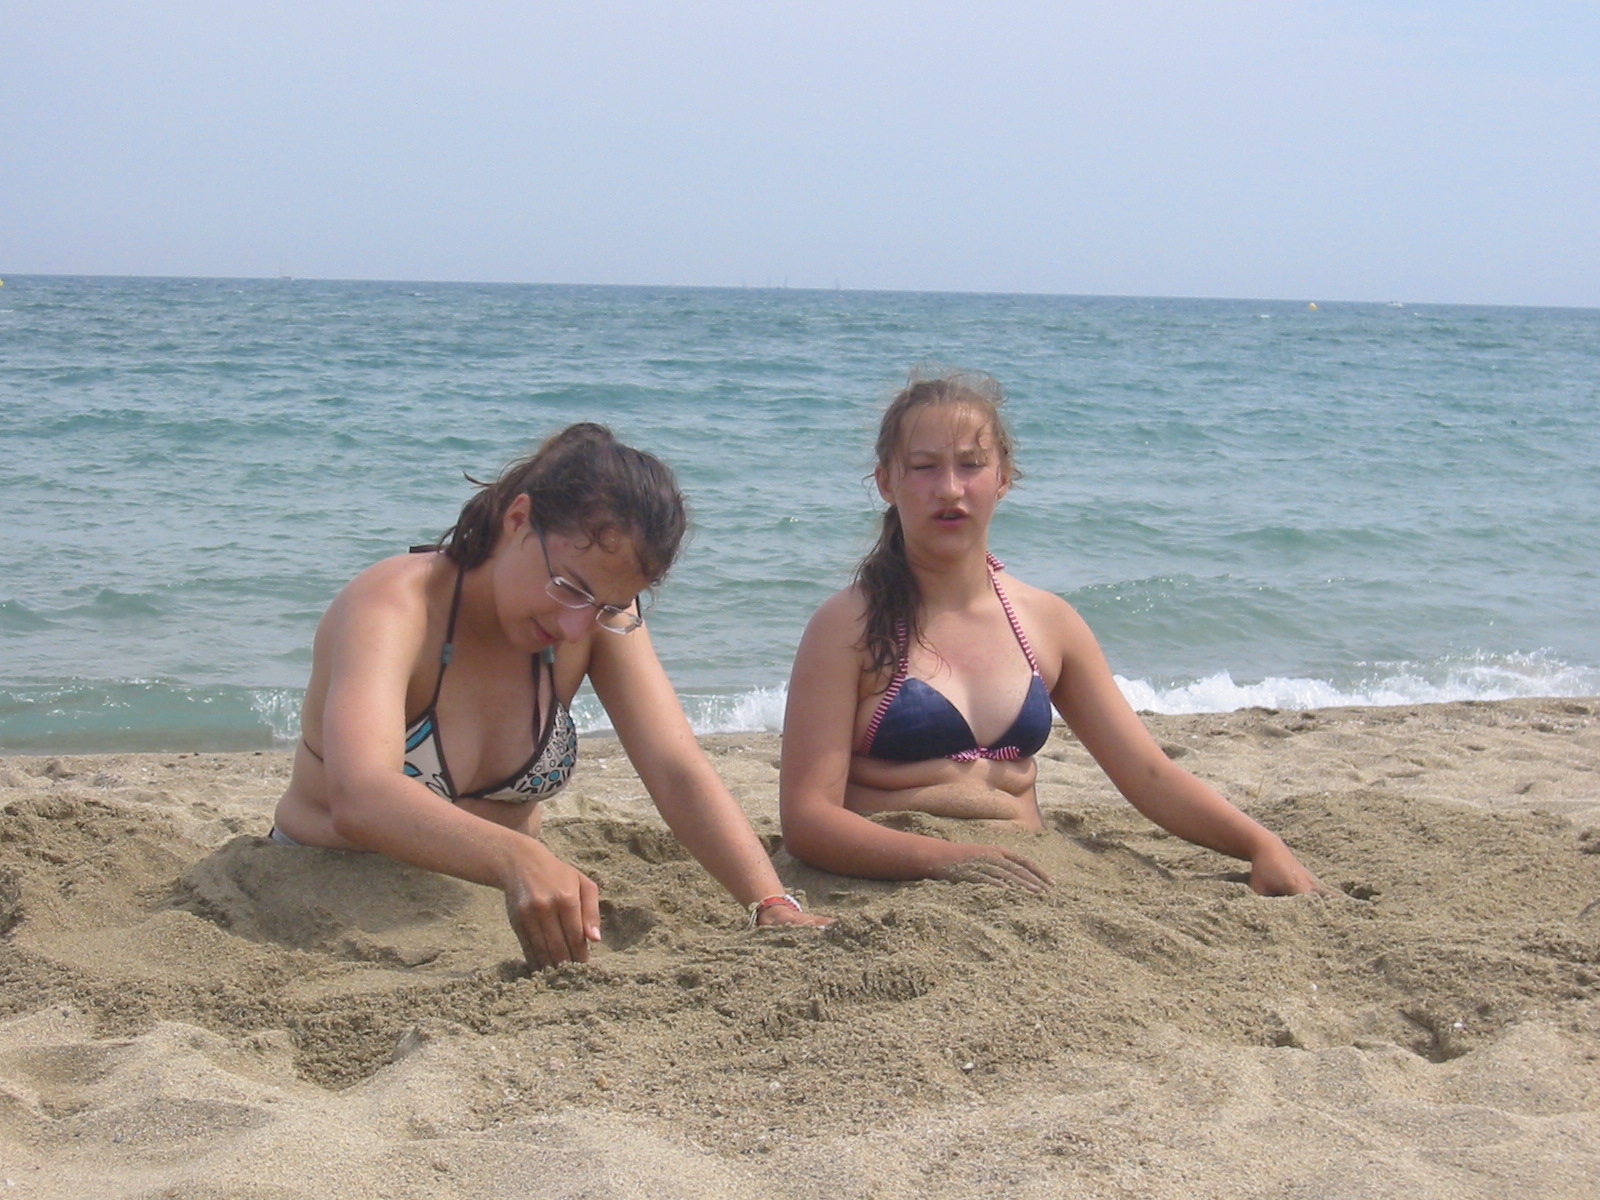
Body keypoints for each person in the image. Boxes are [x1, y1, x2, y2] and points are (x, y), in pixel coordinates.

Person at [274, 423, 828, 969]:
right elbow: (361, 795)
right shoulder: (394, 604)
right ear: (518, 519)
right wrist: (517, 857)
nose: (573, 627)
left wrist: (770, 902)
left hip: (485, 905)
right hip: (323, 895)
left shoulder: (598, 615)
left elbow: (675, 768)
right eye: (569, 588)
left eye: (607, 607)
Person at [779, 370, 1321, 896]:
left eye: (971, 465)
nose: (949, 488)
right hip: (896, 883)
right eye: (924, 467)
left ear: (1003, 478)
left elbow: (1148, 775)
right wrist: (946, 860)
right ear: (886, 482)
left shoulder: (1047, 621)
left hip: (1030, 877)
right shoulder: (848, 625)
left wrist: (1260, 845)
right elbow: (807, 819)